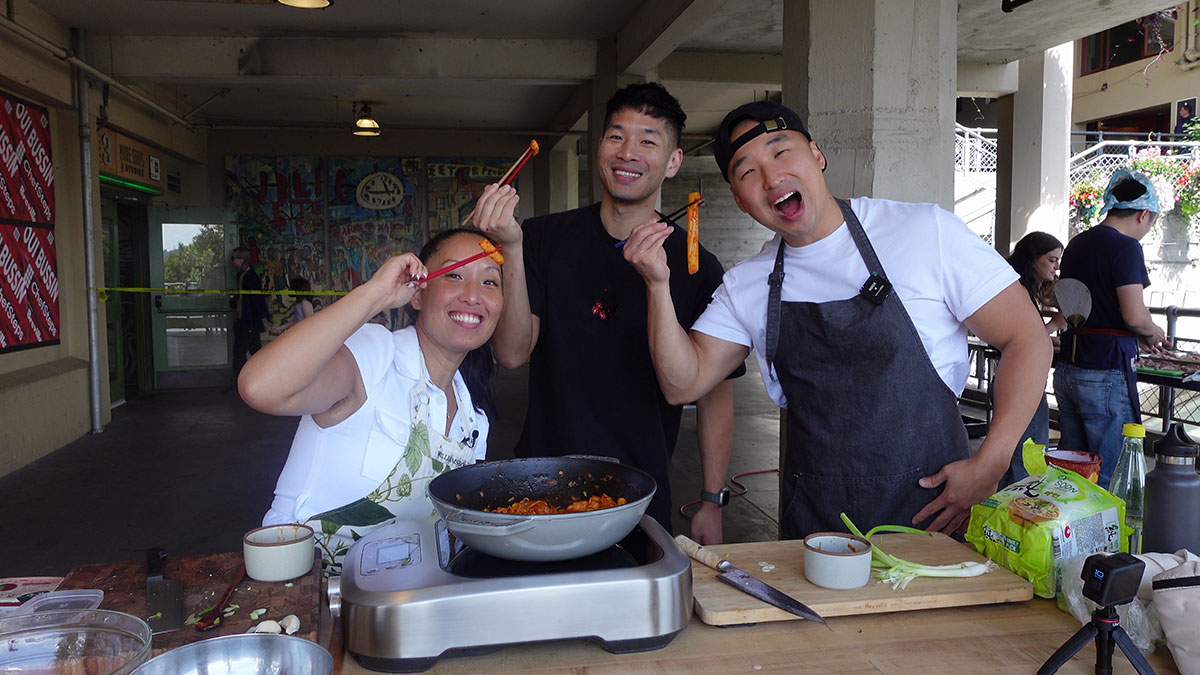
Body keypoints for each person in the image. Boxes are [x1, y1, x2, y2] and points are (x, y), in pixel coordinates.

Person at [621, 100, 1052, 538]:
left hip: (937, 520)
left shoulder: (923, 232)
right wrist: (657, 286)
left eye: (781, 151)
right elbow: (682, 383)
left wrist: (992, 461)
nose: (772, 177)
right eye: (747, 171)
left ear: (817, 155)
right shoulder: (748, 285)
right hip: (816, 536)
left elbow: (1026, 338)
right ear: (739, 200)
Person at [472, 82, 739, 542]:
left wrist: (712, 499)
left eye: (648, 140)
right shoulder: (543, 238)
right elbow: (513, 353)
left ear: (674, 162)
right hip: (541, 480)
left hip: (641, 490)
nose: (627, 152)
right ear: (600, 148)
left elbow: (715, 393)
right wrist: (511, 249)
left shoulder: (698, 266)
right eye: (616, 136)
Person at [239, 229, 502, 575]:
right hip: (305, 599)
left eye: (490, 282)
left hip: (399, 605)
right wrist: (375, 294)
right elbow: (260, 386)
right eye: (454, 275)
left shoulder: (472, 415)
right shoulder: (376, 356)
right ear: (418, 293)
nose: (472, 296)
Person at [1051, 169, 1170, 486]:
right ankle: (1108, 536)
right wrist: (1152, 330)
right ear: (1144, 214)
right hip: (1104, 371)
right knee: (1112, 475)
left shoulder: (1077, 243)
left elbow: (1072, 304)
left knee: (1071, 471)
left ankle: (1069, 533)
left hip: (1069, 370)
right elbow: (1134, 315)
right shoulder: (1126, 247)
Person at [1001, 232, 1063, 484]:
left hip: (1013, 377)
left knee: (1015, 449)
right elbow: (1019, 338)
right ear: (1033, 259)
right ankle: (1022, 513)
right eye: (1052, 260)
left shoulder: (1013, 287)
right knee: (1029, 452)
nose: (1057, 266)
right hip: (1023, 380)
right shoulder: (1018, 291)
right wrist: (1052, 326)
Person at [231, 246, 271, 378]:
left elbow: (257, 300)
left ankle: (241, 381)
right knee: (253, 350)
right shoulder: (241, 275)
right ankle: (265, 376)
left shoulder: (251, 277)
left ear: (241, 260)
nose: (232, 262)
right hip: (243, 320)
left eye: (234, 258)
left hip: (248, 322)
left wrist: (264, 318)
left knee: (241, 352)